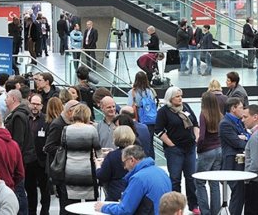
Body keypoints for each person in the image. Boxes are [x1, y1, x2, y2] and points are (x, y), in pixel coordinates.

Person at [155, 86, 200, 214]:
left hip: (190, 148)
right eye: (177, 96)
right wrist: (171, 144)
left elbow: (195, 123)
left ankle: (193, 205)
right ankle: (176, 208)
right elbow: (158, 130)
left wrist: (196, 137)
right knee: (175, 179)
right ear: (170, 98)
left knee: (191, 178)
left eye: (181, 96)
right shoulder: (163, 112)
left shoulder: (185, 107)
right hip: (175, 150)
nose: (180, 98)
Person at [95, 145, 172, 214]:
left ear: (131, 160)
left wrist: (103, 207)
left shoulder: (138, 179)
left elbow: (125, 210)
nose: (124, 167)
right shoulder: (161, 172)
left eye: (124, 163)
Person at [61, 104, 100, 212]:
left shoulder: (66, 129)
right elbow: (98, 150)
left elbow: (63, 147)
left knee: (72, 205)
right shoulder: (92, 130)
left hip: (70, 169)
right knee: (91, 205)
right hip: (87, 170)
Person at [195, 91, 223, 215]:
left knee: (200, 182)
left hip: (206, 150)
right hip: (219, 150)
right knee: (214, 182)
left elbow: (201, 137)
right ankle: (215, 211)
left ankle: (205, 212)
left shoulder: (203, 114)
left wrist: (199, 148)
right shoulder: (220, 115)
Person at [220, 97, 249, 215]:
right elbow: (237, 143)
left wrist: (246, 137)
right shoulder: (225, 124)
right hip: (233, 163)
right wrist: (246, 140)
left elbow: (246, 135)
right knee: (237, 195)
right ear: (233, 108)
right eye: (241, 108)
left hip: (241, 163)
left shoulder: (238, 121)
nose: (243, 110)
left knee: (240, 195)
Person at [96, 126, 135, 201]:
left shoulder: (112, 156)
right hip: (134, 191)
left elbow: (102, 176)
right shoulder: (138, 153)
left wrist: (98, 166)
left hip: (116, 193)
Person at [126, 71, 158, 148]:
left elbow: (130, 106)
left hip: (140, 120)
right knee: (150, 143)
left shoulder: (133, 92)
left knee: (139, 143)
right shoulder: (151, 91)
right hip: (151, 119)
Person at [244, 104, 258, 214]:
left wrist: (247, 178)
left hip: (254, 182)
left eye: (245, 117)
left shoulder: (255, 137)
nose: (243, 120)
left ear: (255, 117)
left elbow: (255, 164)